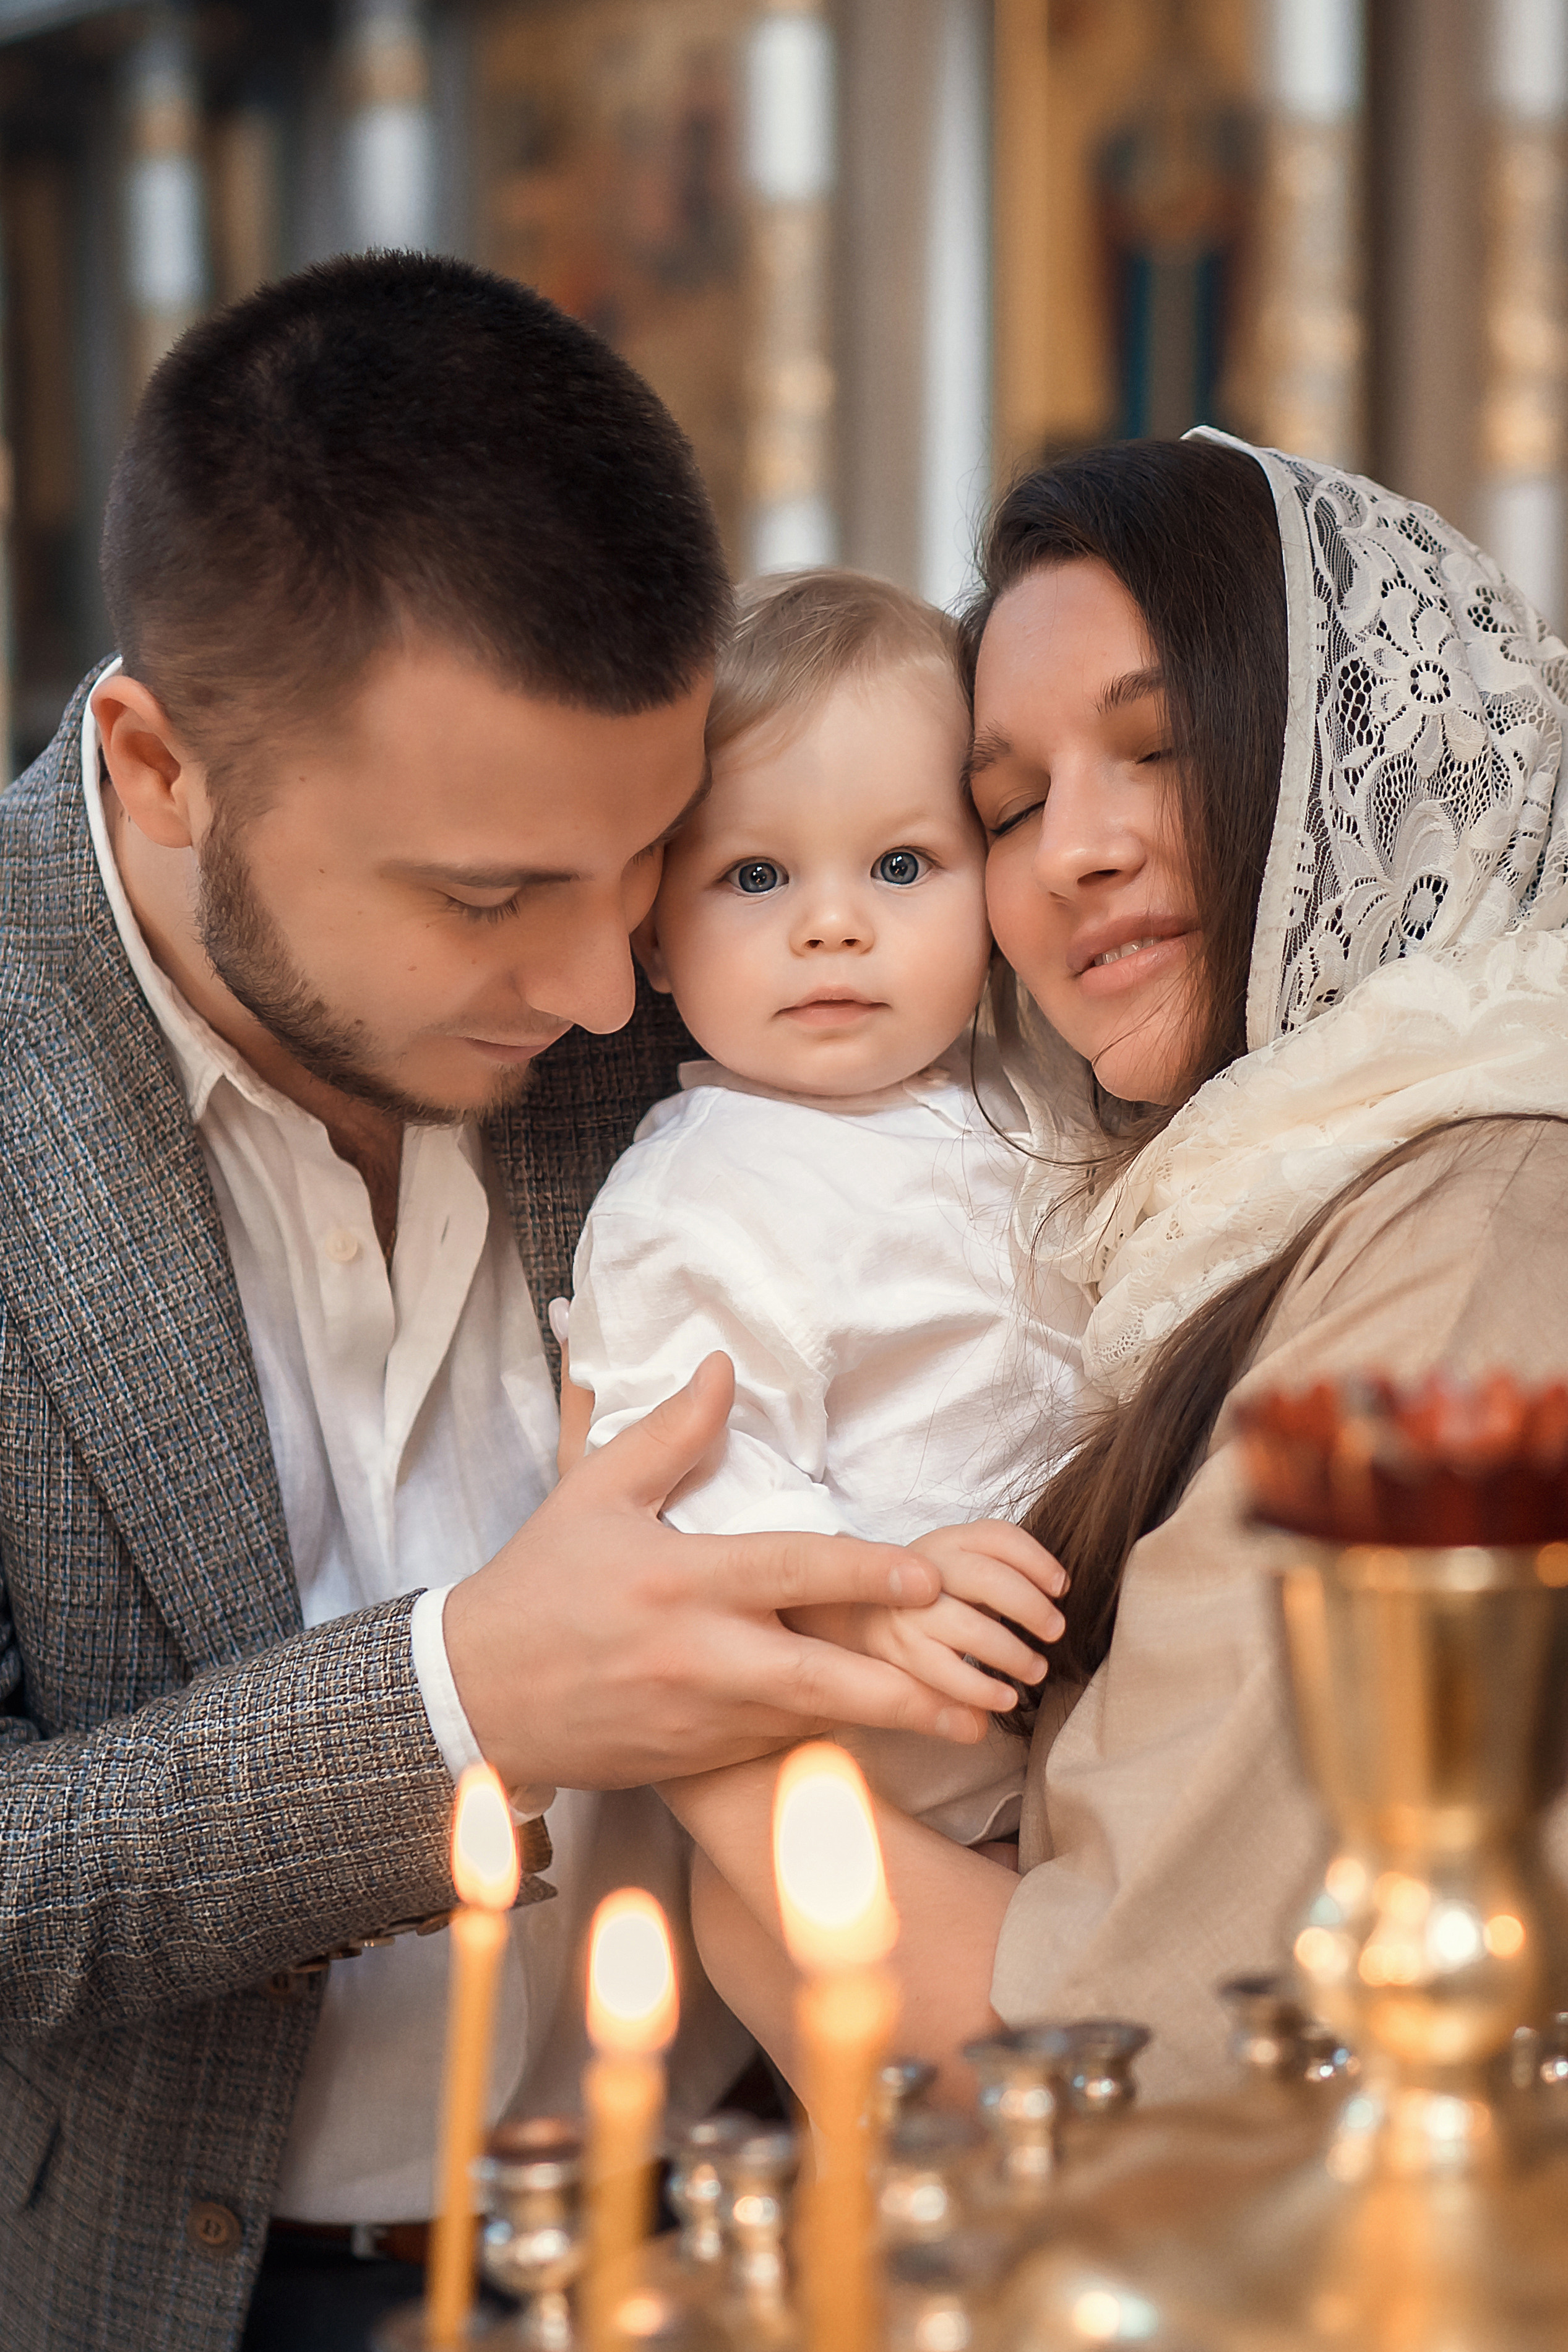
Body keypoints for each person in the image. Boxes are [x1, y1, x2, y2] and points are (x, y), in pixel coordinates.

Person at [0, 255, 1000, 2352]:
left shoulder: (706, 967)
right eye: (487, 900)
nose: (605, 994)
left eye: (645, 860)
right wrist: (452, 1705)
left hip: (745, 2229)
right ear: (160, 763)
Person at [657, 431, 1568, 2110]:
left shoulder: (1468, 1236)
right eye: (1005, 806)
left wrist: (694, 1743)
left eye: (1150, 750)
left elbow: (1089, 2062)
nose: (1067, 850)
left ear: (1366, 768)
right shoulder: (1215, 1198)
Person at [562, 571, 1085, 1843]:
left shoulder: (1039, 1092)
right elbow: (688, 1480)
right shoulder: (697, 1196)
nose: (835, 926)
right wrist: (869, 1602)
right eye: (755, 876)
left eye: (902, 863)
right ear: (651, 939)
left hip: (1090, 1744)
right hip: (892, 1790)